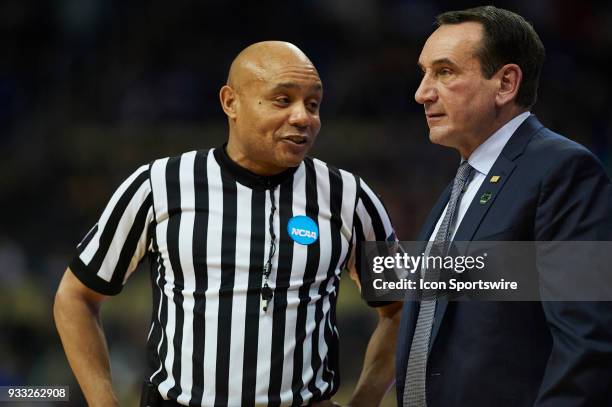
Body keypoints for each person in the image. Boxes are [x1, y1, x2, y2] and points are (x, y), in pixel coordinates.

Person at [54, 41, 402, 407]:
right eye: (283, 100)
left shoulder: (348, 196)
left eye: (313, 104)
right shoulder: (159, 184)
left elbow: (399, 307)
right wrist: (102, 402)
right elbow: (75, 296)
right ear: (230, 102)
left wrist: (366, 399)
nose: (303, 117)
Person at [395, 6, 612, 407]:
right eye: (424, 73)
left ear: (506, 83)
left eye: (444, 72)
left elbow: (588, 343)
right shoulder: (460, 185)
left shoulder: (561, 170)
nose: (422, 92)